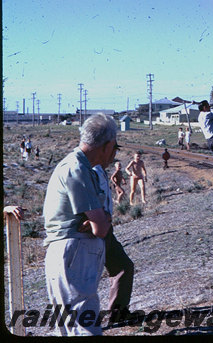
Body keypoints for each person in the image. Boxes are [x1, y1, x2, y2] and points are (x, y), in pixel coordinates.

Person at [42, 113, 114, 336]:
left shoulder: (79, 166)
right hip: (74, 254)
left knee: (67, 327)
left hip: (67, 253)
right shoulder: (78, 169)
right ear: (107, 145)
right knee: (84, 325)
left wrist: (99, 219)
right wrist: (100, 219)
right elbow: (101, 228)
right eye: (115, 147)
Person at [93, 149, 135, 321]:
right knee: (89, 279)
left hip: (107, 229)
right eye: (111, 150)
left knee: (124, 267)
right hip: (94, 233)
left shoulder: (101, 170)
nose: (113, 155)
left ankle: (117, 314)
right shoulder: (91, 172)